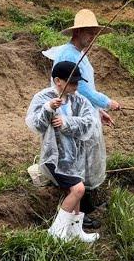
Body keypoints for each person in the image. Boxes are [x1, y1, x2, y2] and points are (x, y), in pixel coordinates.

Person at [42, 9, 121, 229]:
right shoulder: (69, 55)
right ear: (78, 32)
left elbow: (85, 91)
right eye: (90, 33)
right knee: (78, 162)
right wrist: (107, 102)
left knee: (85, 160)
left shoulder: (79, 54)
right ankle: (79, 214)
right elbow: (81, 89)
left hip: (81, 114)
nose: (93, 38)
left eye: (95, 33)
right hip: (70, 119)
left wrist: (97, 111)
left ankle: (85, 207)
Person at [25, 61, 101, 242]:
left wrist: (67, 122)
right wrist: (49, 108)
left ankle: (75, 233)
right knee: (78, 190)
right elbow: (36, 124)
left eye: (77, 82)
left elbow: (89, 122)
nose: (76, 86)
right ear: (58, 80)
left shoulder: (78, 100)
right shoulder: (43, 98)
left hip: (74, 157)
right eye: (72, 82)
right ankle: (56, 234)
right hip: (55, 157)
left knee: (72, 192)